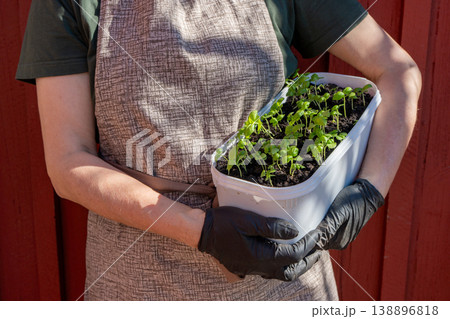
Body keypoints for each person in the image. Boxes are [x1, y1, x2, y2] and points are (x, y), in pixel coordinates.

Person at [16, 0, 421, 300]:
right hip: (136, 282)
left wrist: (369, 190)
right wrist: (203, 231)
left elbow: (397, 71)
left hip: (283, 279)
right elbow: (69, 161)